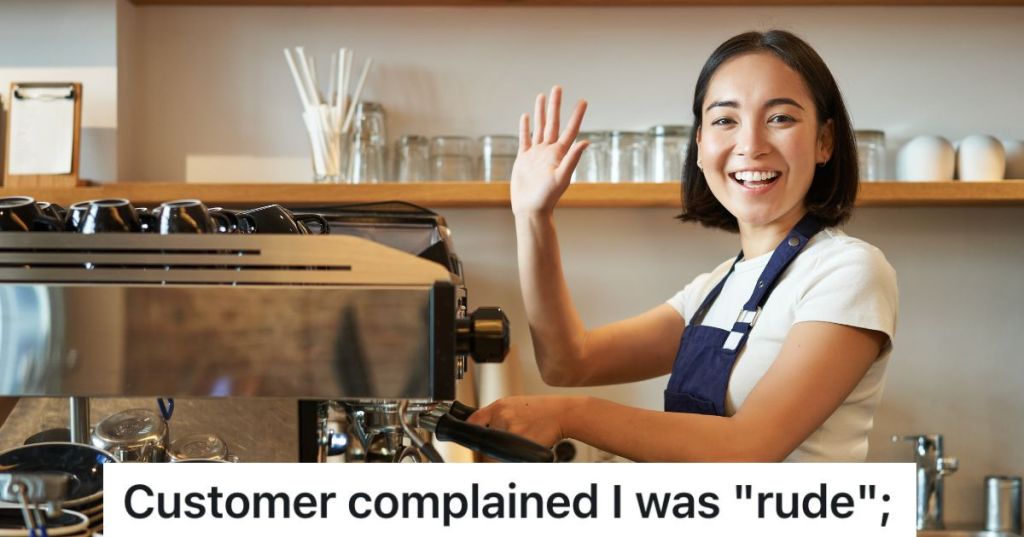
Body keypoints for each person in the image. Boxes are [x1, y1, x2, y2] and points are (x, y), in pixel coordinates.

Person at [465, 30, 898, 462]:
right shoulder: (713, 290)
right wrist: (532, 216)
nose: (751, 146)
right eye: (725, 120)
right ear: (700, 146)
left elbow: (749, 445)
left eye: (780, 118)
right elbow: (568, 362)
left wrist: (570, 414)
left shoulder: (847, 270)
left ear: (824, 141)